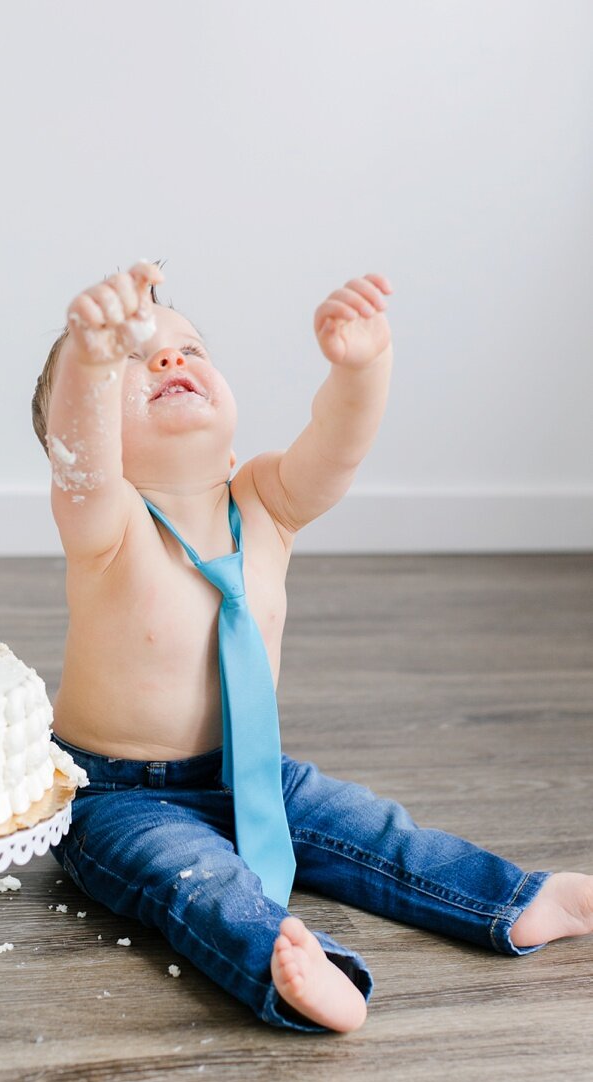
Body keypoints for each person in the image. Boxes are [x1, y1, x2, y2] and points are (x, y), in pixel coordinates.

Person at [31, 259, 593, 1033]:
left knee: (375, 830)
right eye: (133, 357)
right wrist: (87, 356)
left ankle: (518, 900)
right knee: (195, 881)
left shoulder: (264, 499)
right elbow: (79, 461)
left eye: (189, 347)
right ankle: (290, 967)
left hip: (255, 772)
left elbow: (337, 445)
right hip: (117, 796)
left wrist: (361, 367)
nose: (168, 358)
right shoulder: (107, 522)